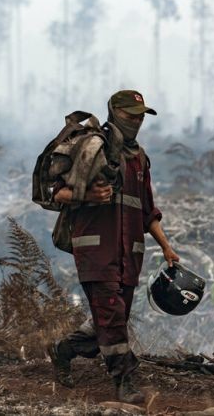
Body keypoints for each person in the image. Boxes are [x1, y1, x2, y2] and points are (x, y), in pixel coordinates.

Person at [46, 90, 180, 404]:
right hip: (95, 250)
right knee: (111, 320)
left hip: (129, 254)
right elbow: (57, 194)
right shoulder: (93, 148)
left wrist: (166, 247)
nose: (136, 121)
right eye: (130, 114)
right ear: (114, 112)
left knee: (104, 327)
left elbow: (147, 210)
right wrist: (89, 196)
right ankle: (125, 381)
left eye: (140, 115)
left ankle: (61, 349)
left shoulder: (139, 158)